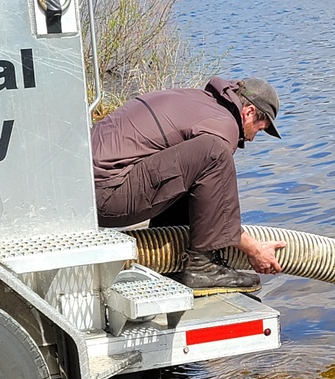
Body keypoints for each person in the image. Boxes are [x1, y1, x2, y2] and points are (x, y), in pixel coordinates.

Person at [91, 76, 286, 294]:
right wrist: (255, 249)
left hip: (85, 192)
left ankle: (171, 257)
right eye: (259, 129)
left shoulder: (196, 101)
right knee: (214, 153)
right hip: (109, 194)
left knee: (196, 159)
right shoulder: (225, 124)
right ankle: (202, 268)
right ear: (248, 112)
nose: (251, 139)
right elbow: (218, 200)